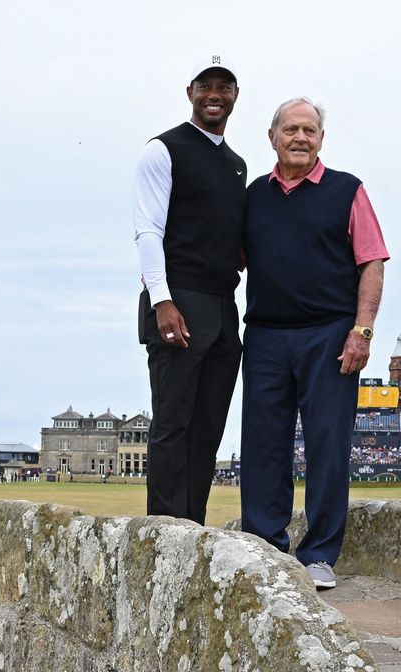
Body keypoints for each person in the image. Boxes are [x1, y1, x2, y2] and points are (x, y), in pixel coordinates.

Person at [239, 97, 389, 590]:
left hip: (330, 335)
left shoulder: (347, 190)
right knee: (262, 445)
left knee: (327, 444)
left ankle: (319, 554)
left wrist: (361, 331)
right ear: (272, 137)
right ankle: (264, 545)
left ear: (321, 139)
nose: (300, 138)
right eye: (290, 129)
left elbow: (371, 261)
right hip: (264, 335)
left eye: (309, 130)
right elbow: (229, 260)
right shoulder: (253, 196)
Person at [133, 56, 247, 524]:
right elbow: (148, 231)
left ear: (235, 97)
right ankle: (164, 531)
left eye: (225, 87)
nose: (215, 94)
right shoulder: (162, 150)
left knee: (207, 430)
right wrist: (163, 300)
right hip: (177, 301)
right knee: (173, 424)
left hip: (223, 308)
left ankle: (192, 527)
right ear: (190, 92)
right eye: (206, 86)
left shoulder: (236, 165)